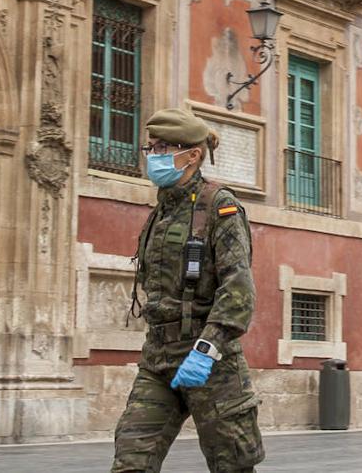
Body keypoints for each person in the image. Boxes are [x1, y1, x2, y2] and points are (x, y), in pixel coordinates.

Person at [112, 108, 264, 473]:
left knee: (233, 467)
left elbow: (238, 290)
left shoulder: (220, 207)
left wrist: (207, 348)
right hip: (158, 360)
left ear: (192, 155)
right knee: (131, 460)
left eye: (163, 147)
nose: (153, 156)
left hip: (210, 361)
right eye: (151, 148)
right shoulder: (162, 211)